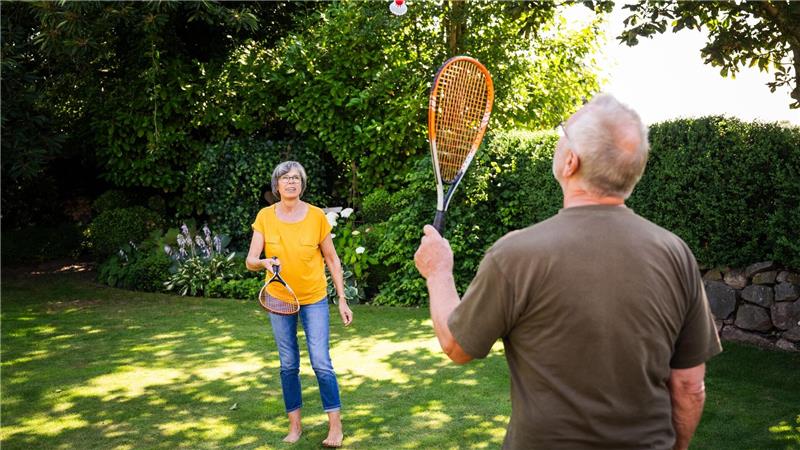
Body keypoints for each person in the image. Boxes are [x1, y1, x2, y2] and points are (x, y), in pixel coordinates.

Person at [414, 94, 722, 450]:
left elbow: (456, 346)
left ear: (570, 162)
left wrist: (438, 272)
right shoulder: (676, 254)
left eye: (564, 134)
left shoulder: (515, 254)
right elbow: (689, 387)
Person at [246, 160, 353, 448]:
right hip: (280, 300)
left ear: (302, 184)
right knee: (288, 363)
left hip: (314, 299)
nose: (291, 182)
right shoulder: (265, 217)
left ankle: (335, 427)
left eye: (296, 178)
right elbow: (250, 260)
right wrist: (264, 262)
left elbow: (332, 259)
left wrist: (342, 299)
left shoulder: (316, 216)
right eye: (285, 178)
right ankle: (295, 426)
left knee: (321, 361)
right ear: (276, 185)